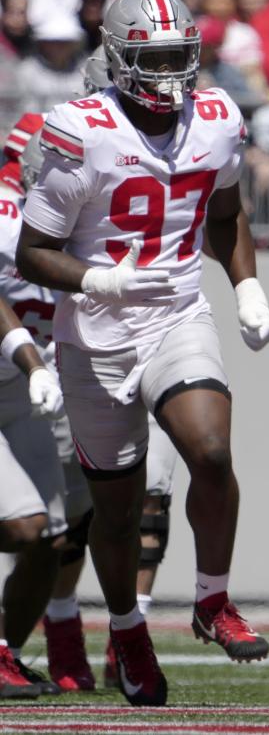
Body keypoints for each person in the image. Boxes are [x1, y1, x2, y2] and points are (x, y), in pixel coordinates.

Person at [16, 0, 269, 707]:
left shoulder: (217, 116)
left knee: (212, 452)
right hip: (95, 338)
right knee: (120, 510)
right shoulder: (80, 128)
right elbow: (36, 249)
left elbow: (226, 216)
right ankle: (128, 630)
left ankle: (212, 601)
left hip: (175, 313)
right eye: (153, 59)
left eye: (178, 58)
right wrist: (94, 278)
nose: (170, 75)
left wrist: (245, 285)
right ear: (122, 60)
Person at [0, 128, 69, 701]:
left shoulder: (90, 222)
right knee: (22, 524)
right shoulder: (5, 216)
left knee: (49, 538)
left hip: (27, 395)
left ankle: (8, 652)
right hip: (19, 374)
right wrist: (31, 362)